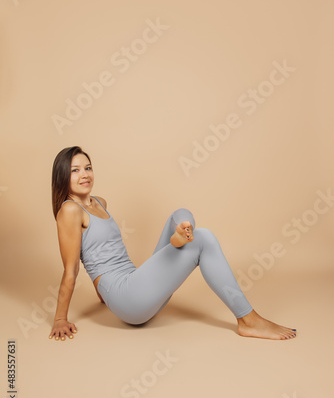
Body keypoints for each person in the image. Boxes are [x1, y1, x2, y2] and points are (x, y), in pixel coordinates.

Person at [49, 146, 297, 342]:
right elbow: (72, 269)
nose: (84, 174)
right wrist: (60, 318)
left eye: (88, 167)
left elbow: (98, 251)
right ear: (63, 176)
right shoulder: (70, 211)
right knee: (205, 237)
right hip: (129, 299)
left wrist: (102, 295)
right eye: (75, 170)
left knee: (179, 213)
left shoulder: (99, 202)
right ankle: (248, 319)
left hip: (136, 283)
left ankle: (181, 235)